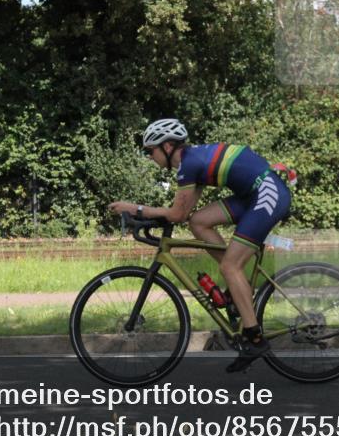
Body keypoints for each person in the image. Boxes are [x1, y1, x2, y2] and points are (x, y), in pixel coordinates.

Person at [108, 118, 292, 373]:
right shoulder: (192, 163)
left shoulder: (189, 164)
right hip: (253, 194)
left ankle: (255, 338)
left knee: (230, 266)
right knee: (199, 222)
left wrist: (135, 208)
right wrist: (148, 215)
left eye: (150, 151)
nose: (149, 157)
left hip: (267, 194)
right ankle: (237, 287)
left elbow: (174, 214)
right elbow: (184, 215)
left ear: (168, 146)